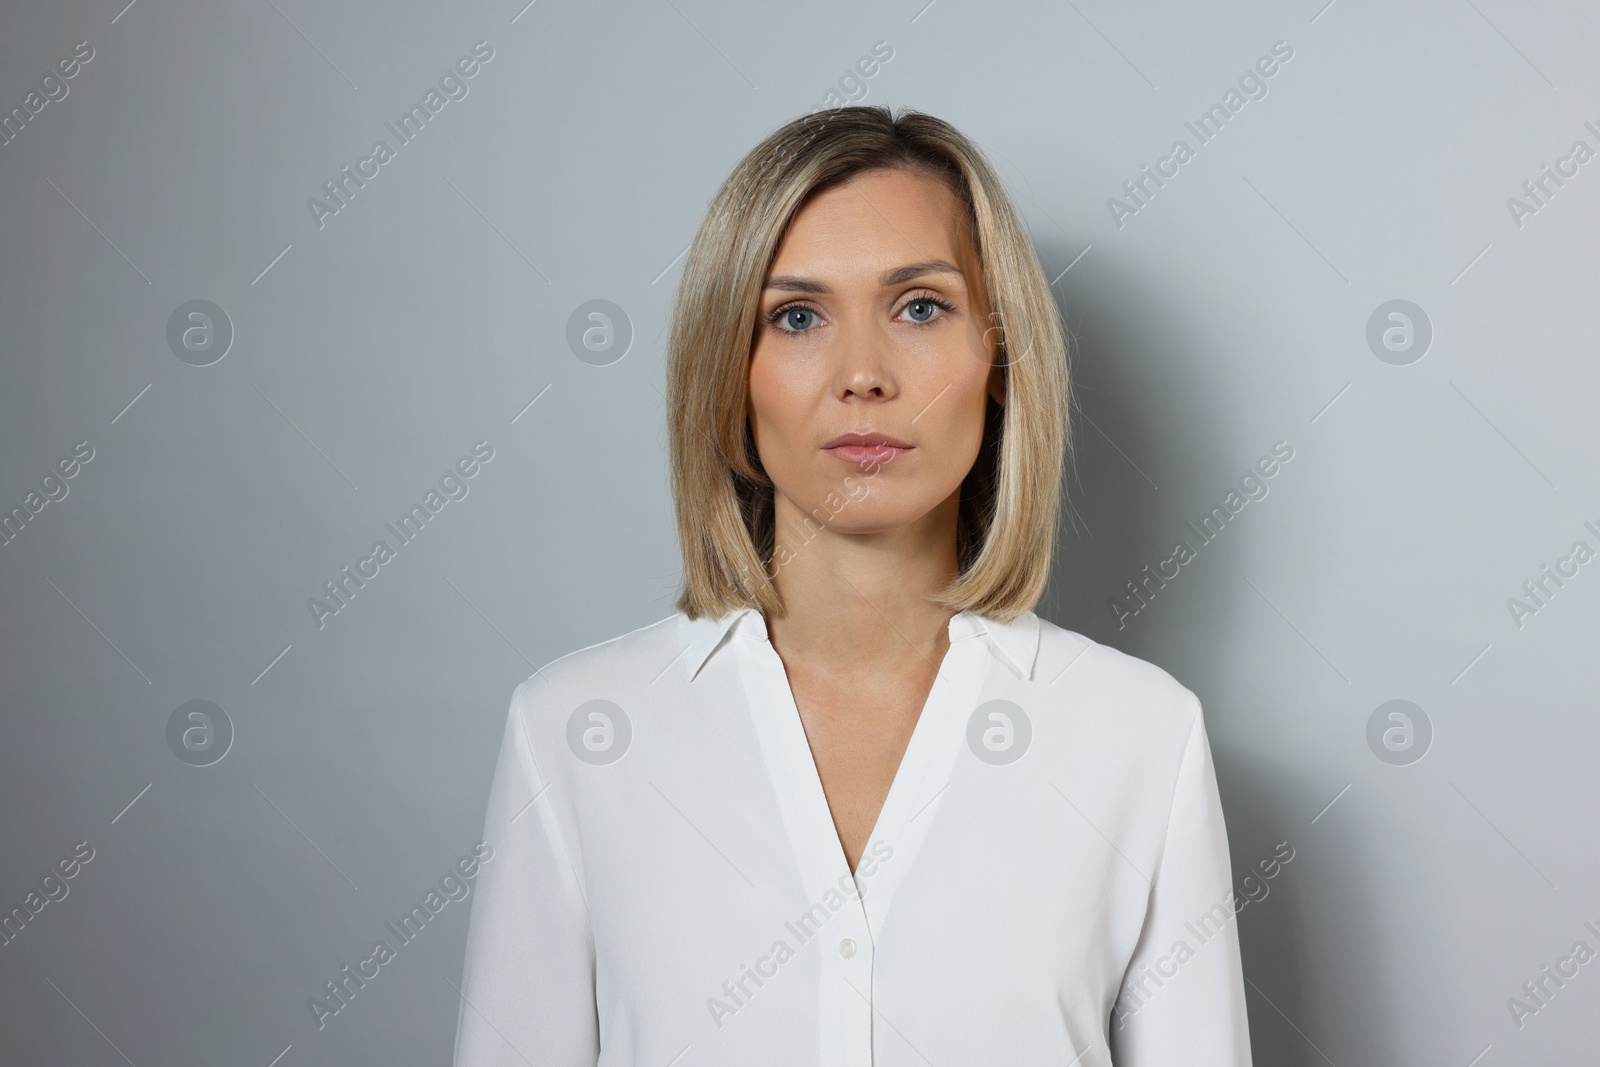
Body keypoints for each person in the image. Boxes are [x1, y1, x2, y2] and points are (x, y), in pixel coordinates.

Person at [453, 105, 1252, 1067]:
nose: (863, 374)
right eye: (797, 316)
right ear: (730, 372)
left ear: (998, 355)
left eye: (919, 306)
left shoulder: (1141, 738)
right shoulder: (577, 732)